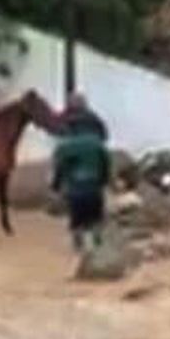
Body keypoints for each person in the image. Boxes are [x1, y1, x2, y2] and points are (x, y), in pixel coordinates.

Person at [52, 93, 111, 253]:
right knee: (96, 218)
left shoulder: (65, 146)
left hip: (75, 188)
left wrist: (56, 188)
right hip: (94, 186)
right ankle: (98, 245)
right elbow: (105, 164)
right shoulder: (97, 141)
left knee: (76, 221)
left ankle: (79, 247)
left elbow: (60, 168)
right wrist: (105, 182)